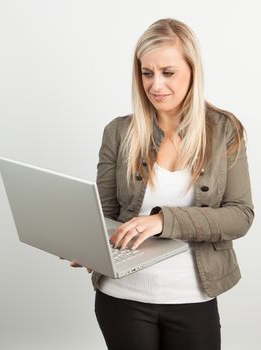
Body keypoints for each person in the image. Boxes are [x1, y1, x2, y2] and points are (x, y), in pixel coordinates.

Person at [69, 18, 254, 350]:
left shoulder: (225, 130)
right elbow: (106, 214)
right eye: (146, 73)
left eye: (168, 73)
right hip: (122, 297)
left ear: (192, 71)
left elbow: (240, 216)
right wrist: (89, 244)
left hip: (192, 297)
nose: (155, 85)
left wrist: (162, 221)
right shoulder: (118, 132)